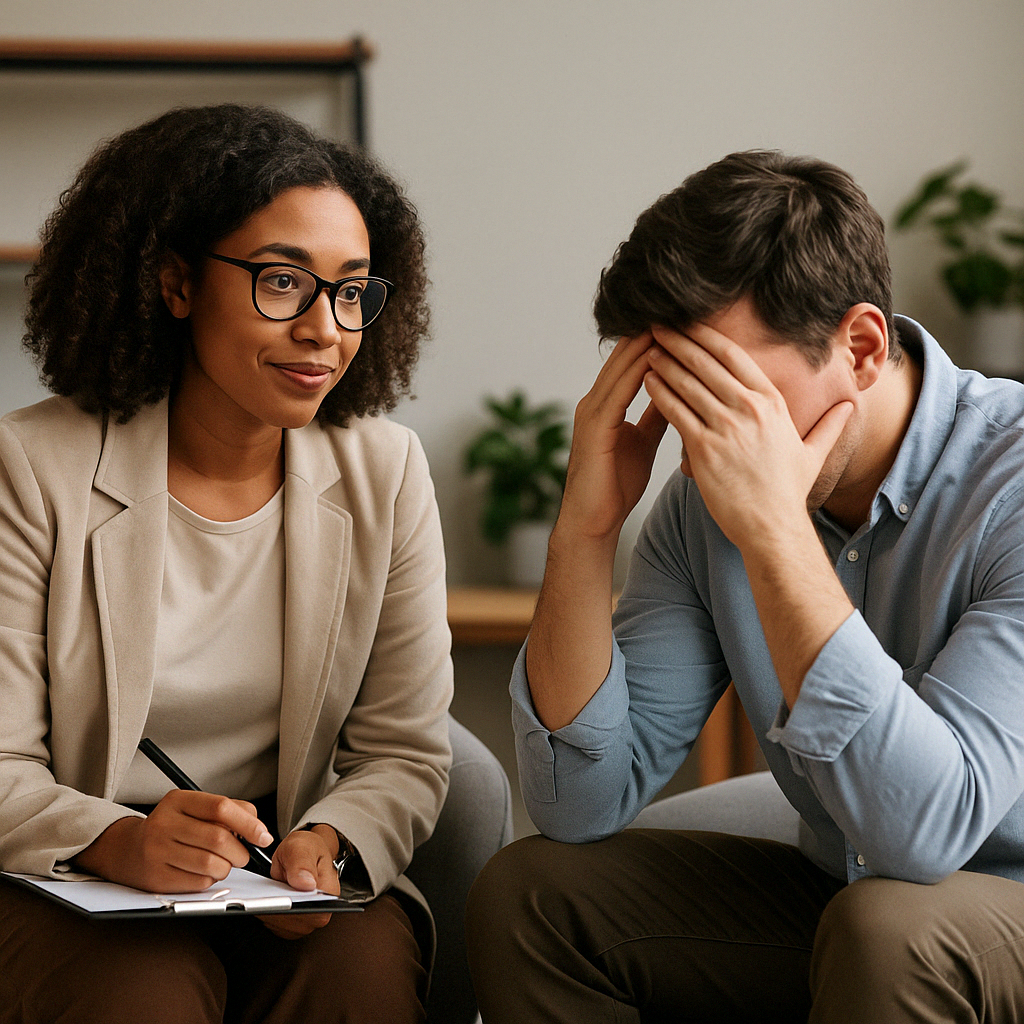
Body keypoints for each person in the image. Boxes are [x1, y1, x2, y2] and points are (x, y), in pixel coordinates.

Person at [465, 150, 1024, 1022]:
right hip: (846, 895)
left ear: (863, 347)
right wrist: (586, 529)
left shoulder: (1012, 486)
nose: (700, 443)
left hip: (992, 900)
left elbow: (924, 833)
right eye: (676, 391)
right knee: (531, 893)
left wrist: (773, 534)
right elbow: (578, 803)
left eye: (729, 392)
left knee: (888, 929)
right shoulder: (700, 506)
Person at [0, 103, 452, 1024]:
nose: (325, 327)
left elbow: (405, 751)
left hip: (278, 874)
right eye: (282, 282)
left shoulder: (386, 471)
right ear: (174, 284)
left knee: (357, 979)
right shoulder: (30, 468)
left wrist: (328, 840)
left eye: (352, 291)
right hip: (72, 875)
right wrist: (117, 839)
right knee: (143, 996)